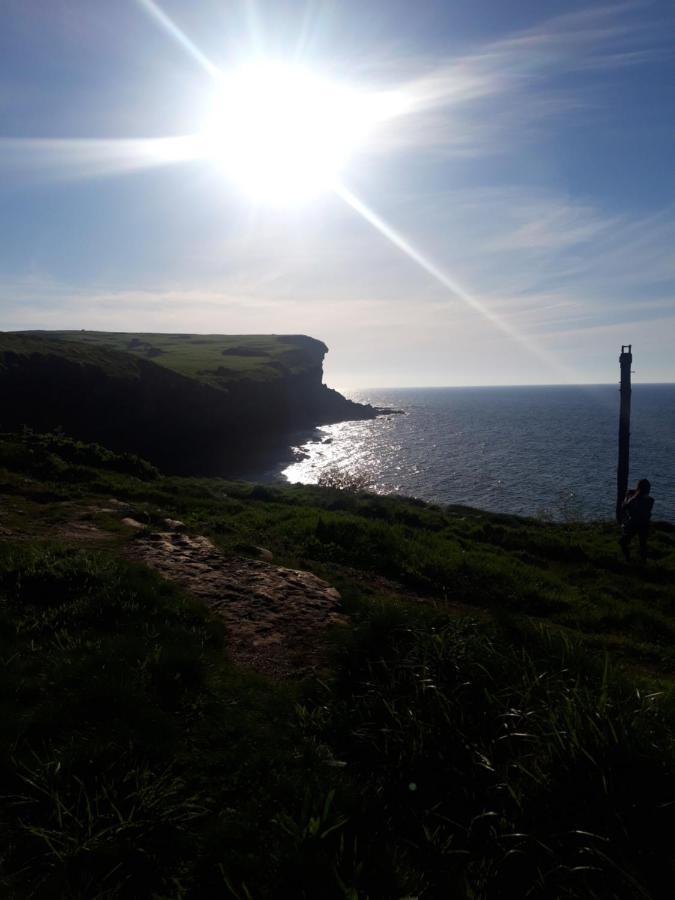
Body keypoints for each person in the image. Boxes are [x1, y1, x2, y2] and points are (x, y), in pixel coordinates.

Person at [619, 478, 654, 562]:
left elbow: (623, 507)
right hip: (645, 524)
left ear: (638, 488)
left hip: (633, 524)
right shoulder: (650, 500)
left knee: (622, 543)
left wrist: (628, 497)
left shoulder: (633, 499)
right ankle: (643, 562)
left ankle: (628, 559)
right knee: (643, 545)